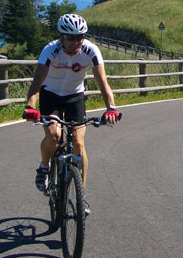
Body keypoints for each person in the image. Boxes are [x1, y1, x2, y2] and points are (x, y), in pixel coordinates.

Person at [23, 13, 120, 215]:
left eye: (80, 37)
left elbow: (103, 82)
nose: (76, 42)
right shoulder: (50, 51)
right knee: (54, 135)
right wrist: (31, 107)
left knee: (78, 143)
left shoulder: (90, 50)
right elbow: (36, 84)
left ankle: (81, 196)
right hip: (51, 95)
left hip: (75, 96)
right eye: (71, 37)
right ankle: (44, 166)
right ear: (61, 37)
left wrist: (110, 107)